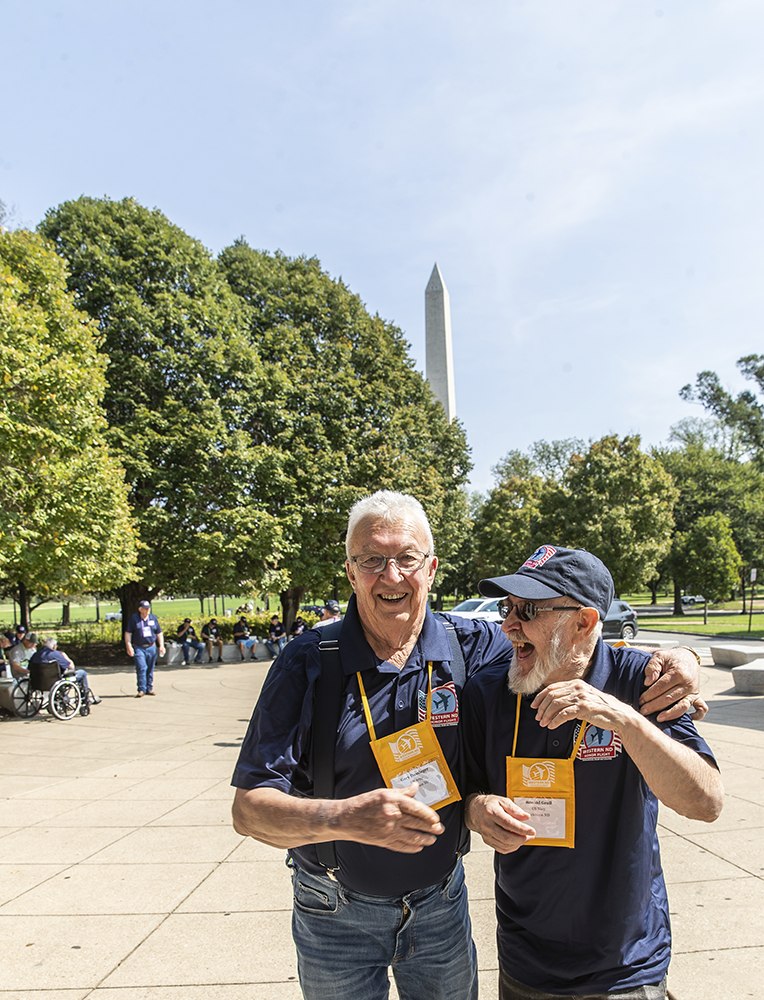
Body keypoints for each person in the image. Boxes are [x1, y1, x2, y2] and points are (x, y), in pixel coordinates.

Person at [231, 491, 705, 1000]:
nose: (391, 575)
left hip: (440, 909)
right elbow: (249, 810)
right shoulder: (307, 661)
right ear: (350, 572)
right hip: (336, 911)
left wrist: (681, 657)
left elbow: (569, 645)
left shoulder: (473, 645)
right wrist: (346, 818)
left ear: (430, 569)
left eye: (406, 559)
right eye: (371, 559)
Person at [463, 545, 724, 1000]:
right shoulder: (489, 690)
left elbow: (706, 803)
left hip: (625, 967)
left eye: (527, 610)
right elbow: (464, 792)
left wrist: (623, 719)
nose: (508, 624)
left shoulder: (644, 682)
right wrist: (476, 809)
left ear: (583, 623)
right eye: (508, 608)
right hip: (525, 962)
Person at [29, 635, 101, 704]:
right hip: (56, 681)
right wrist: (64, 655)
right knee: (82, 672)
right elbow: (71, 667)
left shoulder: (35, 655)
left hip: (38, 683)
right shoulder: (55, 654)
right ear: (54, 646)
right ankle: (85, 697)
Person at [124, 600, 165, 697]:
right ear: (140, 609)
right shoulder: (134, 619)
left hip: (151, 646)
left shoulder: (153, 618)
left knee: (150, 668)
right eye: (145, 608)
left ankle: (149, 688)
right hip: (138, 647)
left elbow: (159, 633)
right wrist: (128, 646)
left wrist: (161, 645)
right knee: (142, 667)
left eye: (148, 608)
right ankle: (141, 689)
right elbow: (128, 633)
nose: (147, 610)